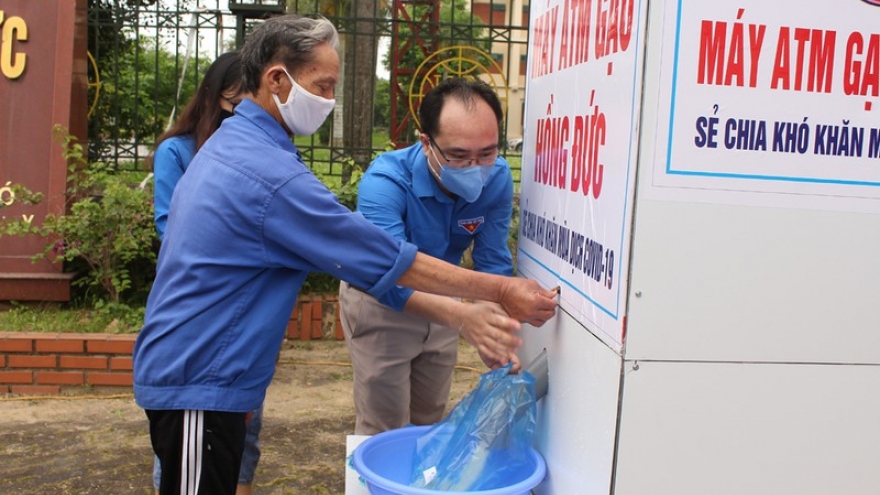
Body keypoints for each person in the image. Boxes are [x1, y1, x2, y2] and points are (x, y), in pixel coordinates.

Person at [132, 15, 556, 495]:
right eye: (325, 85)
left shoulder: (245, 146)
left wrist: (485, 308)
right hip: (200, 376)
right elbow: (382, 259)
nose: (331, 101)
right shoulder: (266, 173)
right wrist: (499, 291)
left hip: (217, 374)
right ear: (277, 79)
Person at [339, 78, 517, 435]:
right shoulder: (385, 183)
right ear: (426, 143)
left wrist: (494, 333)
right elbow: (388, 276)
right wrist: (466, 317)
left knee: (430, 419)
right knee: (383, 425)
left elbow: (493, 261)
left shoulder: (496, 179)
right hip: (382, 303)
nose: (475, 167)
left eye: (487, 153)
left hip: (447, 303)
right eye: (458, 155)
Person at [148, 51, 262, 495]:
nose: (241, 116)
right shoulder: (178, 152)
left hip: (246, 314)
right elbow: (171, 224)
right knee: (189, 443)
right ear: (215, 98)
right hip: (197, 311)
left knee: (243, 428)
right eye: (235, 104)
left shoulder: (257, 153)